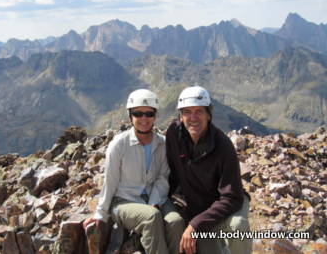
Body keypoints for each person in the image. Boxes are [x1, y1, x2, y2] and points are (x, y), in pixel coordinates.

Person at [84, 89, 185, 254]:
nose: (144, 118)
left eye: (149, 113)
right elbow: (110, 181)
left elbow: (163, 177)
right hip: (123, 201)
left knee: (175, 221)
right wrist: (100, 213)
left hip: (154, 196)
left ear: (155, 116)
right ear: (130, 116)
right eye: (138, 113)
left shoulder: (163, 144)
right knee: (151, 217)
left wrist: (154, 201)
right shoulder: (119, 145)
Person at [166, 86, 252, 254]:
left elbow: (232, 197)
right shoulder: (174, 135)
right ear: (181, 116)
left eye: (199, 111)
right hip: (199, 207)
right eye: (187, 112)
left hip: (226, 204)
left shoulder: (223, 145)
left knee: (237, 226)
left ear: (208, 114)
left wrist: (195, 224)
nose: (193, 118)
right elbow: (172, 174)